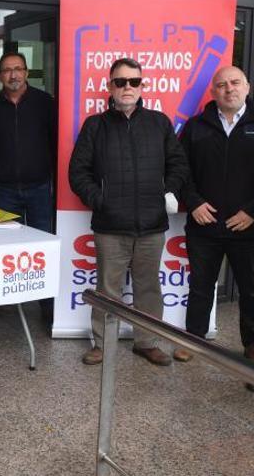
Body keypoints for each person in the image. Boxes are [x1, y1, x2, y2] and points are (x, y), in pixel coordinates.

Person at [68, 58, 188, 366]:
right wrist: (101, 199)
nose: (127, 87)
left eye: (133, 82)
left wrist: (167, 191)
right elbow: (78, 172)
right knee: (108, 289)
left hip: (152, 223)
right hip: (110, 224)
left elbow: (178, 164)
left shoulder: (159, 122)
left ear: (142, 85)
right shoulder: (95, 125)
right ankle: (103, 344)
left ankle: (146, 341)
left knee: (149, 286)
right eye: (120, 82)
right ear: (110, 86)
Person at [175, 66, 254, 379]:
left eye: (234, 83)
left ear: (247, 86)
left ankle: (253, 344)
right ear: (213, 92)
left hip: (248, 227)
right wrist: (192, 203)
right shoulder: (195, 127)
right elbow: (179, 170)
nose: (228, 89)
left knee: (251, 291)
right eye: (221, 85)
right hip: (204, 226)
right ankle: (193, 338)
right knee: (201, 286)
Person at [0, 51, 57, 323]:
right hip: (6, 190)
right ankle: (9, 301)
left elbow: (54, 143)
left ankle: (47, 308)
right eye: (7, 70)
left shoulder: (45, 103)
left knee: (42, 250)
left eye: (18, 69)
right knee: (7, 250)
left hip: (39, 187)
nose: (13, 75)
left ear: (26, 72)